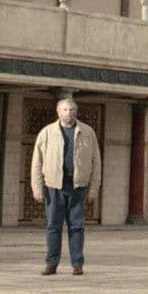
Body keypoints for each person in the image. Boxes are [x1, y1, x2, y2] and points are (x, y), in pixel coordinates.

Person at [31, 98, 102, 276]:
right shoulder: (47, 132)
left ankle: (77, 264)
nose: (68, 113)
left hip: (78, 186)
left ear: (76, 112)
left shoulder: (87, 132)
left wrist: (94, 187)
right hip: (53, 187)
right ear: (58, 112)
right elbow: (37, 162)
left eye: (71, 110)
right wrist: (37, 187)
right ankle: (51, 264)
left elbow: (96, 161)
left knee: (76, 226)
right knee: (53, 226)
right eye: (65, 109)